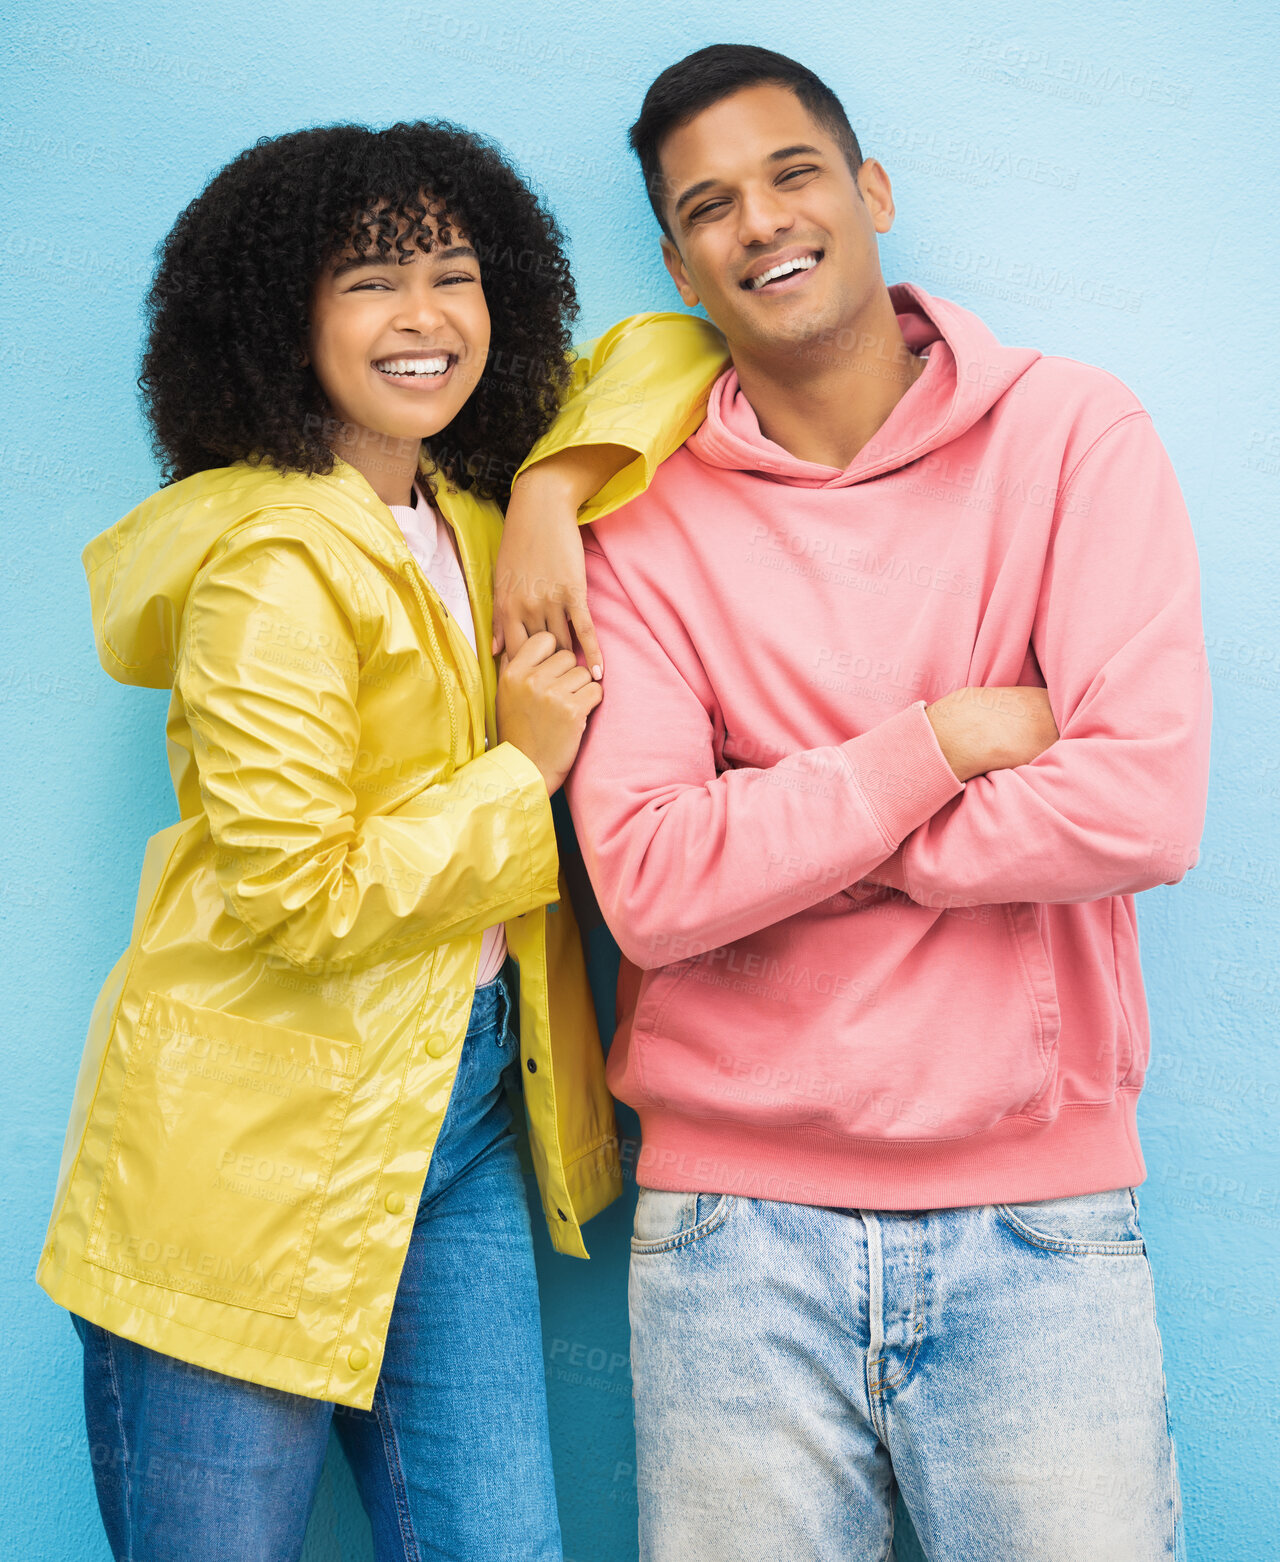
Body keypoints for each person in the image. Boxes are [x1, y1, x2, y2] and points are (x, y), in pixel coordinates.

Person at [34, 120, 723, 1562]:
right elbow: (301, 894)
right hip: (252, 1131)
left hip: (454, 1108)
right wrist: (516, 776)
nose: (424, 318)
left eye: (456, 273)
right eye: (367, 281)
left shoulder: (467, 520)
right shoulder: (275, 561)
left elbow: (671, 344)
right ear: (282, 322)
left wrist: (544, 490)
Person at [558, 44, 1210, 1562]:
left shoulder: (1070, 436)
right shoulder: (638, 521)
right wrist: (950, 737)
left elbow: (1142, 805)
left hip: (1041, 1228)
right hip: (731, 1241)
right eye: (709, 205)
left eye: (793, 174)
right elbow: (649, 883)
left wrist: (784, 840)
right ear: (677, 264)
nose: (762, 222)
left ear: (872, 192)